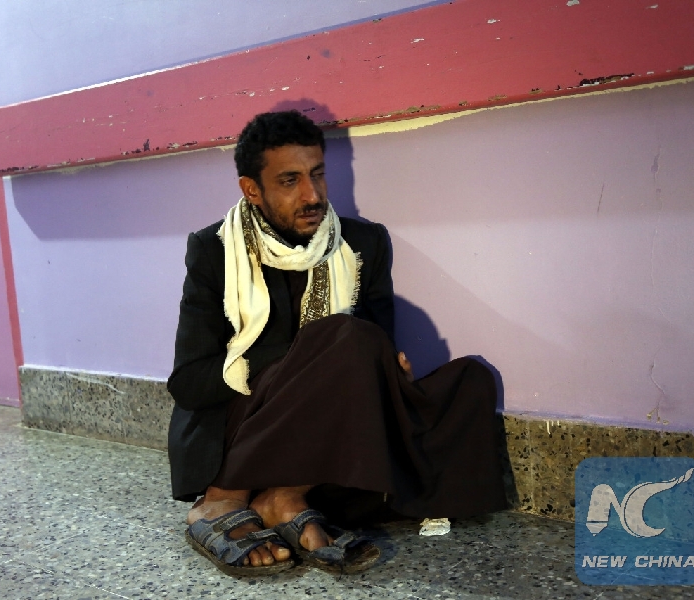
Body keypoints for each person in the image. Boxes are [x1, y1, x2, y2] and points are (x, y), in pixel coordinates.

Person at [167, 110, 507, 576]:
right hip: (246, 422)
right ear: (252, 190)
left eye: (317, 174)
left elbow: (375, 344)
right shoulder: (215, 249)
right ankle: (224, 498)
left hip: (335, 427)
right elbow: (188, 383)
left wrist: (383, 368)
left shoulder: (364, 242)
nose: (312, 195)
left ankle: (284, 496)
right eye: (289, 180)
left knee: (469, 381)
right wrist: (315, 355)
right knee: (344, 337)